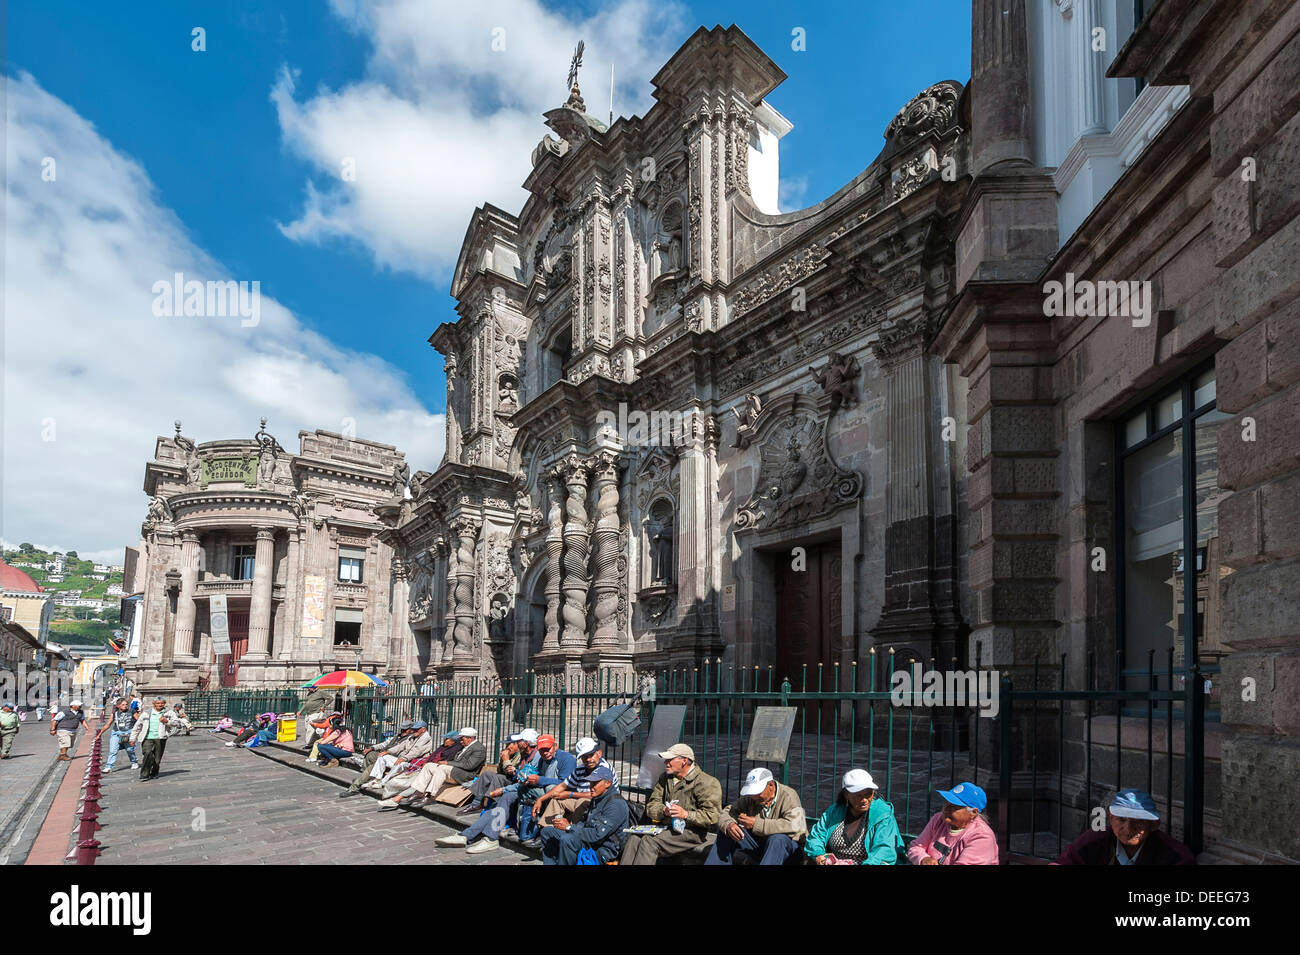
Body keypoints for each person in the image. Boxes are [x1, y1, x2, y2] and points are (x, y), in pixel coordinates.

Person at [438, 732, 573, 853]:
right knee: (503, 798)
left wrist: (533, 778)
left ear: (554, 746)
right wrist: (505, 787)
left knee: (509, 795)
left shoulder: (559, 758)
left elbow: (564, 783)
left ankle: (489, 837)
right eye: (542, 749)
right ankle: (466, 835)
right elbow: (522, 779)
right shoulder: (535, 758)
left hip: (549, 794)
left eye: (518, 741)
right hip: (529, 790)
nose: (544, 752)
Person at [620, 743, 722, 865]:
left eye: (670, 759)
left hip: (692, 832)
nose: (665, 763)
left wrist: (686, 814)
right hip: (666, 827)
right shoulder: (666, 778)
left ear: (684, 761)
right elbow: (652, 805)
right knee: (634, 839)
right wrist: (664, 811)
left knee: (650, 842)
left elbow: (713, 816)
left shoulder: (706, 783)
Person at [1053, 789, 1195, 865]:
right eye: (1121, 820)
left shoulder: (1173, 854)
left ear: (1153, 825)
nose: (1128, 829)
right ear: (1110, 819)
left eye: (1138, 822)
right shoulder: (1094, 840)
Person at [706, 767, 806, 866]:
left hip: (789, 850)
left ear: (771, 785)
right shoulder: (752, 797)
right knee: (728, 831)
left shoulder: (788, 795)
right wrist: (729, 825)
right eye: (752, 793)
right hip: (761, 847)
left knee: (777, 839)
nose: (754, 797)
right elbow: (726, 813)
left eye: (758, 793)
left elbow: (795, 825)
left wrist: (756, 824)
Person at [805, 769, 903, 865]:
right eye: (858, 795)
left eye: (868, 794)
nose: (864, 800)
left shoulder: (882, 814)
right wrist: (820, 855)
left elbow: (884, 849)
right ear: (846, 795)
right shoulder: (835, 811)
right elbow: (816, 836)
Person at [376, 727, 485, 810]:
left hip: (465, 775)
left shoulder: (478, 748)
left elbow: (470, 765)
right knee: (429, 766)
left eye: (462, 739)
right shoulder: (465, 747)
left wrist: (447, 763)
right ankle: (417, 793)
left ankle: (430, 796)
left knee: (442, 768)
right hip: (455, 770)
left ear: (470, 738)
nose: (460, 741)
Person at [540, 768, 628, 865]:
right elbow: (584, 822)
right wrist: (568, 827)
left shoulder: (616, 804)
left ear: (607, 783)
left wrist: (569, 827)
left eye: (595, 783)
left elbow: (597, 835)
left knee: (568, 840)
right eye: (591, 783)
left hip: (602, 850)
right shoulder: (598, 798)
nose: (591, 787)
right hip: (588, 841)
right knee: (547, 832)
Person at [533, 737, 618, 828]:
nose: (588, 759)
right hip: (583, 800)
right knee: (556, 799)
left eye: (591, 755)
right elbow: (562, 786)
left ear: (599, 753)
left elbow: (595, 794)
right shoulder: (580, 769)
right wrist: (541, 799)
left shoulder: (604, 768)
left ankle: (573, 832)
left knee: (582, 802)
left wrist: (570, 794)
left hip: (601, 804)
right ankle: (547, 830)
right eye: (584, 757)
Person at [907, 782, 999, 865]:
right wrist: (923, 858)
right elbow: (916, 846)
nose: (946, 809)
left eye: (954, 807)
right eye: (946, 803)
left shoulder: (982, 836)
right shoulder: (938, 819)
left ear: (973, 813)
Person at [341, 721, 432, 796]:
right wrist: (384, 751)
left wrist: (404, 758)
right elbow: (398, 746)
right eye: (402, 729)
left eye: (415, 729)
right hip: (396, 756)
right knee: (374, 755)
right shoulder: (404, 736)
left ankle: (358, 785)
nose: (413, 730)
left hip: (409, 761)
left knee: (373, 765)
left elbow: (416, 752)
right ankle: (375, 779)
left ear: (423, 729)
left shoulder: (424, 738)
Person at [459, 729, 537, 815]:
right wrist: (501, 761)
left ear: (516, 745)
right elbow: (500, 771)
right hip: (507, 778)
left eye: (509, 744)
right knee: (487, 774)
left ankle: (491, 805)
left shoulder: (520, 754)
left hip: (515, 781)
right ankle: (476, 804)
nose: (507, 747)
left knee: (499, 777)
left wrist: (506, 759)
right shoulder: (511, 754)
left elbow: (511, 772)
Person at [129, 697, 178, 780]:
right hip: (147, 737)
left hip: (160, 738)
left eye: (162, 703)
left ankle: (154, 772)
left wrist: (167, 721)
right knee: (147, 753)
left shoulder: (169, 713)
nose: (160, 705)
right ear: (154, 704)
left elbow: (177, 723)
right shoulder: (146, 713)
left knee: (157, 758)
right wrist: (132, 738)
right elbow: (137, 726)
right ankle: (144, 774)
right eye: (158, 703)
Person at [97, 698, 139, 772]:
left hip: (128, 733)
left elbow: (139, 721)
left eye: (126, 704)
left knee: (129, 749)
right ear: (118, 705)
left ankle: (134, 762)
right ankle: (109, 766)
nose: (125, 706)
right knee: (113, 750)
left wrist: (138, 731)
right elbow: (108, 724)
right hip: (116, 733)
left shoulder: (132, 711)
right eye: (123, 705)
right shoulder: (115, 714)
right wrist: (100, 734)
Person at [298, 683, 335, 750]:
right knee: (307, 728)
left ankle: (309, 744)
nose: (308, 689)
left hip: (316, 712)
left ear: (313, 687)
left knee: (310, 728)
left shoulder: (321, 692)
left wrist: (324, 706)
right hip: (308, 713)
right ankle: (316, 740)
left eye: (309, 687)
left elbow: (330, 698)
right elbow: (306, 703)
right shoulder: (309, 693)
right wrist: (300, 711)